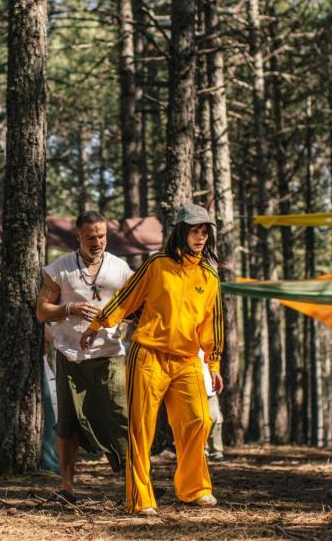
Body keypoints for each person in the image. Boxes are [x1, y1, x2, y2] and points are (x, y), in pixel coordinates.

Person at [80, 204, 225, 516]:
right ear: (180, 232)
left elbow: (212, 324)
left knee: (200, 419)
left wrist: (213, 364)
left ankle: (194, 488)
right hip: (148, 356)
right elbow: (126, 296)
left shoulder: (209, 276)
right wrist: (97, 325)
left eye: (204, 231)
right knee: (141, 428)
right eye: (194, 230)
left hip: (186, 359)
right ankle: (141, 499)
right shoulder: (157, 264)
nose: (200, 237)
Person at [36, 211, 132, 503]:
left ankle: (135, 485)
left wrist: (123, 324)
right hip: (70, 355)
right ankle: (67, 488)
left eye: (102, 235)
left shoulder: (120, 268)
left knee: (120, 418)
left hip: (109, 354)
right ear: (78, 236)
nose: (97, 241)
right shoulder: (60, 269)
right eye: (90, 236)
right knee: (67, 423)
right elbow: (41, 311)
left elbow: (132, 306)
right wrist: (70, 308)